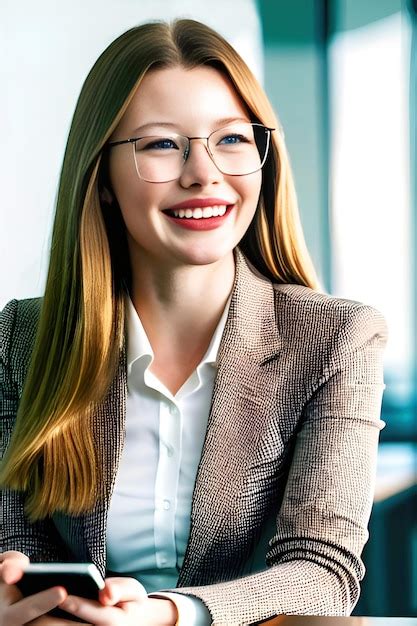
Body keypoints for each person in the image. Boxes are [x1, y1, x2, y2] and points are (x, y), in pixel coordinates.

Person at [0, 18, 387, 626]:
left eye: (231, 139)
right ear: (101, 178)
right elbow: (17, 544)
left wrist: (164, 614)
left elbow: (323, 572)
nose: (203, 173)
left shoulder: (338, 338)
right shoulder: (20, 340)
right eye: (161, 144)